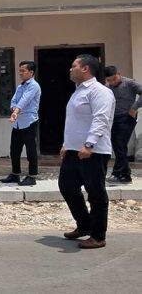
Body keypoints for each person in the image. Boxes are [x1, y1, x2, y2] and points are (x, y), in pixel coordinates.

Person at [59, 54, 114, 249]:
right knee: (66, 186)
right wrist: (67, 144)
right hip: (74, 150)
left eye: (73, 65)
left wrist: (89, 145)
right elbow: (74, 122)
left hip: (93, 151)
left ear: (85, 69)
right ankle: (84, 225)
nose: (70, 69)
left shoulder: (100, 91)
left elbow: (101, 119)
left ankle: (98, 236)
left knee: (96, 193)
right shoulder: (78, 91)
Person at [0, 61, 41, 186]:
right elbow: (14, 100)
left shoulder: (34, 86)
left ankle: (32, 176)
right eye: (20, 71)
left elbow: (25, 100)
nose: (20, 73)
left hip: (29, 121)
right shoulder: (20, 86)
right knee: (14, 150)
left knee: (30, 150)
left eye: (23, 71)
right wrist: (13, 109)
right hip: (17, 123)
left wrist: (16, 111)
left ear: (31, 72)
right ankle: (15, 174)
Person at [104, 65, 142, 184]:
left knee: (120, 144)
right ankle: (126, 176)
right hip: (114, 118)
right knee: (118, 146)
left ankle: (117, 173)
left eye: (114, 79)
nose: (112, 82)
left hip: (127, 117)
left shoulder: (129, 83)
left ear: (119, 74)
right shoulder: (107, 87)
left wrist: (135, 107)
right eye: (109, 80)